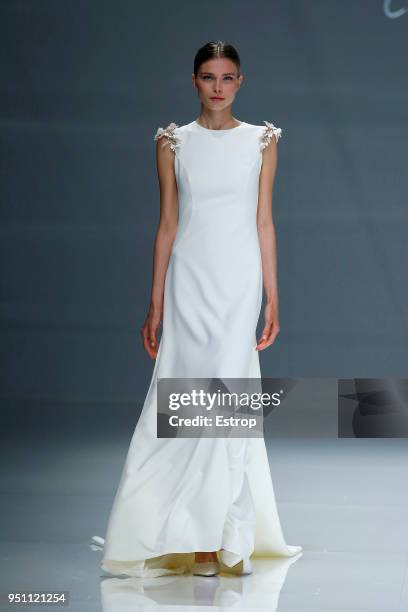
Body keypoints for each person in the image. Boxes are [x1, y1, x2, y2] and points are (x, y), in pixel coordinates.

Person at [91, 40, 302, 578]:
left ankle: (221, 538)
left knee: (227, 392)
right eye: (208, 76)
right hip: (189, 279)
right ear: (193, 81)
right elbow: (167, 225)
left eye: (227, 77)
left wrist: (273, 296)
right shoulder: (172, 142)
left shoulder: (262, 140)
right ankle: (196, 537)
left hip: (238, 279)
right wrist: (155, 301)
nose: (217, 87)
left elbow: (264, 222)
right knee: (185, 394)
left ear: (240, 82)